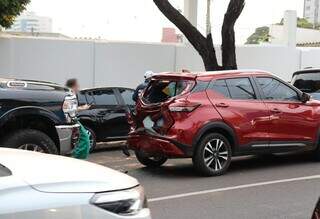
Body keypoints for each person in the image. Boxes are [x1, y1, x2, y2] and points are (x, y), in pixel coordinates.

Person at [65, 78, 90, 160]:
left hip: (71, 119)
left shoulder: (69, 93)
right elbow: (68, 108)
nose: (78, 87)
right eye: (77, 85)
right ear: (74, 86)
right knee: (84, 138)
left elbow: (71, 107)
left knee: (81, 139)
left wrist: (81, 107)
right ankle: (78, 159)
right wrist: (83, 108)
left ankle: (78, 158)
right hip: (71, 119)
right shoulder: (70, 94)